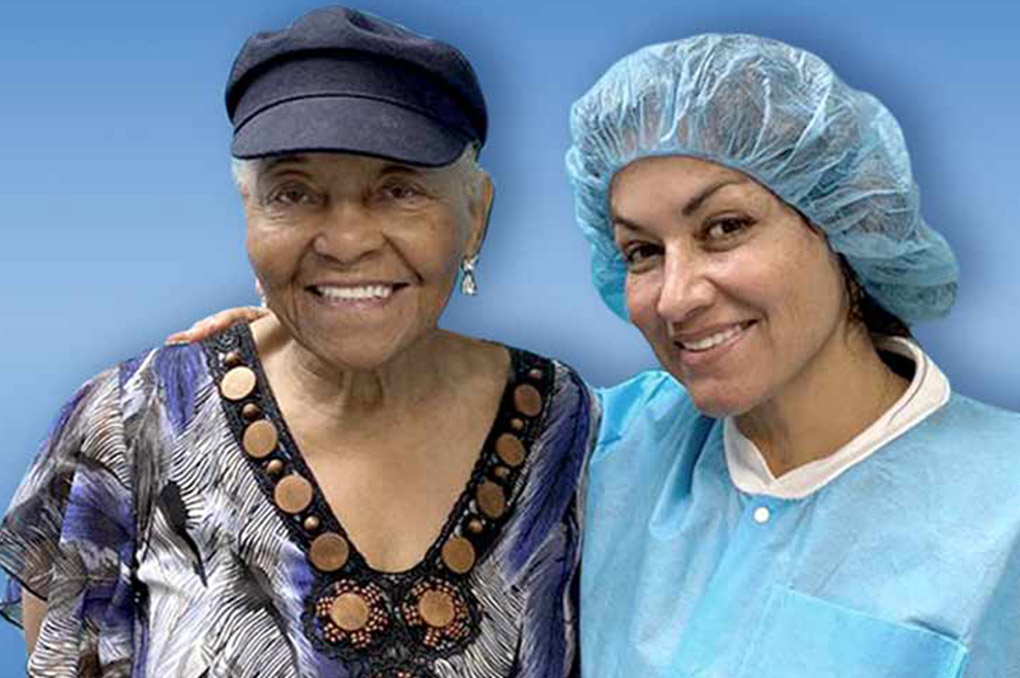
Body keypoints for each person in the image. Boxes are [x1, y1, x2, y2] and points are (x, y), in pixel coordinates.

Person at [0, 8, 594, 677]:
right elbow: (61, 658)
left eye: (399, 190)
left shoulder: (565, 423)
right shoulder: (134, 422)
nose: (346, 242)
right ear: (249, 215)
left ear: (476, 216)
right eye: (293, 193)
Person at [566, 34, 1020, 678]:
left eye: (725, 228)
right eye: (642, 252)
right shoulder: (602, 450)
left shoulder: (1005, 506)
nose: (675, 297)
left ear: (850, 222)